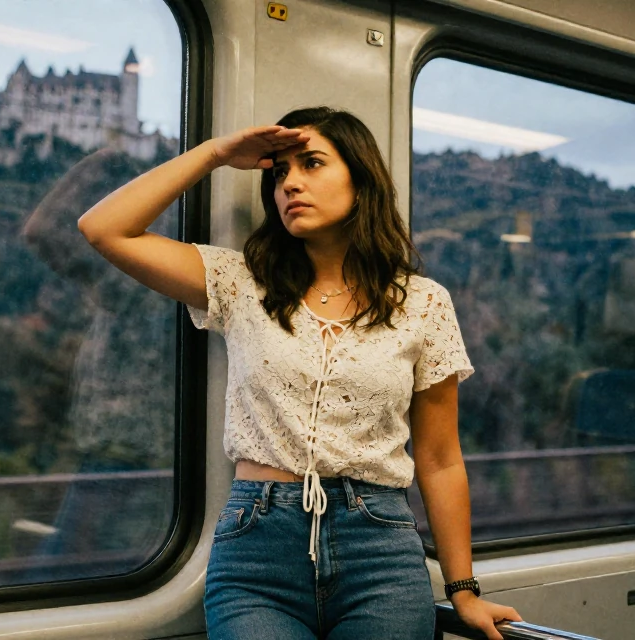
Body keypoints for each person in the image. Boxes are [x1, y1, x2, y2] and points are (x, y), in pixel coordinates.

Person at [70, 106, 521, 639]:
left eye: (311, 164)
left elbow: (440, 459)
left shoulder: (422, 304)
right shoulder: (242, 282)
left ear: (361, 178)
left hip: (379, 551)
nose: (290, 185)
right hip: (259, 552)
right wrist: (216, 153)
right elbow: (104, 229)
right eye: (279, 173)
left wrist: (463, 590)